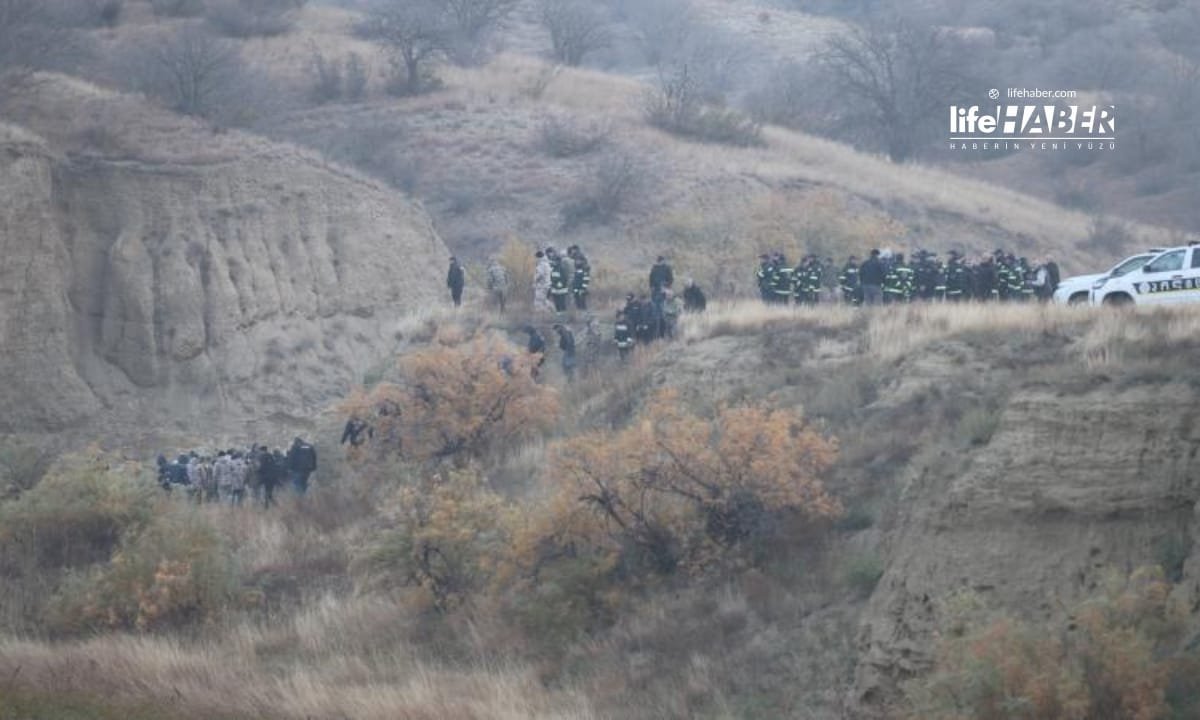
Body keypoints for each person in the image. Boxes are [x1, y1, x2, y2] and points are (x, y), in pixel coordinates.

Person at [548, 249, 570, 315]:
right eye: (554, 261)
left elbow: (565, 278)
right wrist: (551, 285)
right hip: (554, 288)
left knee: (561, 301)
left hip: (561, 289)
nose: (554, 262)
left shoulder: (562, 269)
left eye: (555, 261)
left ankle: (563, 313)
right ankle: (558, 313)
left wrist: (561, 284)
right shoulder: (552, 269)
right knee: (556, 301)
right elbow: (551, 278)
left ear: (559, 261)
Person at [568, 245, 591, 310]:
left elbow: (581, 266)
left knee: (580, 295)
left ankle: (582, 309)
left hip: (580, 278)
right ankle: (581, 309)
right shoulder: (576, 256)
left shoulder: (579, 256)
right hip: (578, 279)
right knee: (578, 295)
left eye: (573, 250)